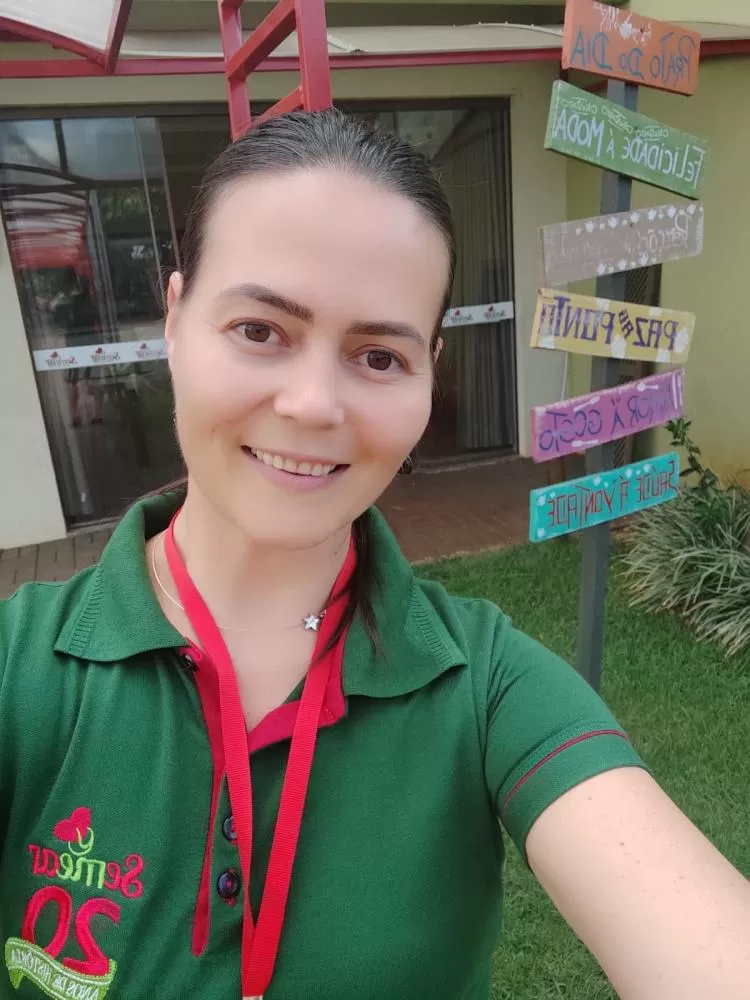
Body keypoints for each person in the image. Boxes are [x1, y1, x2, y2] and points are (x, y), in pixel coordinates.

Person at [0, 110, 747, 1000]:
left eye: (379, 355)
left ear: (431, 369)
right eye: (260, 330)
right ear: (174, 318)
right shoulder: (21, 669)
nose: (315, 404)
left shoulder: (489, 687)